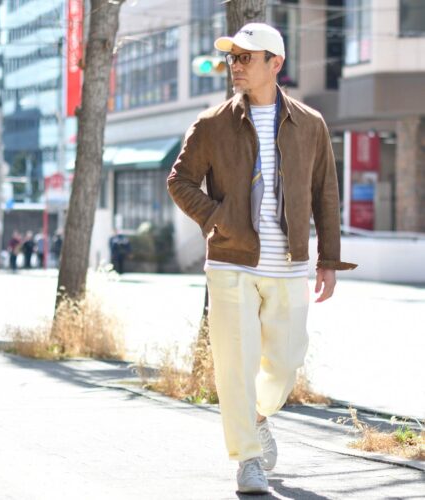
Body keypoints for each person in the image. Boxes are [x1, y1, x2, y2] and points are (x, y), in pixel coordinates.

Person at [167, 23, 356, 494]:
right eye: (232, 57)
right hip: (230, 261)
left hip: (288, 263)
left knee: (287, 361)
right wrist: (217, 218)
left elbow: (325, 194)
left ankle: (256, 415)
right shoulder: (212, 123)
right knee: (235, 366)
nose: (236, 65)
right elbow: (180, 180)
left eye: (246, 57)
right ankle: (247, 460)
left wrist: (328, 260)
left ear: (276, 63)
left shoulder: (310, 124)